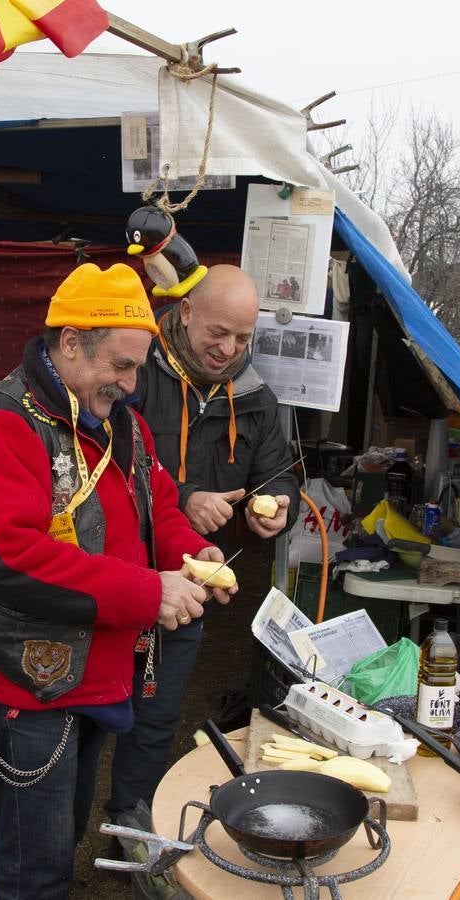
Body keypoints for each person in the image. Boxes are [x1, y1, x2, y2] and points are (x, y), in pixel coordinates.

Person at [0, 262, 235, 899]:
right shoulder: (0, 426)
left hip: (98, 670)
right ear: (69, 342)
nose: (132, 384)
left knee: (64, 829)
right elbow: (8, 559)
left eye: (138, 367)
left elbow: (158, 507)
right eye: (122, 366)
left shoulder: (118, 422)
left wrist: (196, 554)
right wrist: (149, 593)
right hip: (32, 681)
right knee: (33, 865)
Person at [106, 264, 298, 823]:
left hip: (190, 580)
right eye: (219, 332)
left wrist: (277, 509)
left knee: (158, 713)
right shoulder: (135, 373)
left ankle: (130, 824)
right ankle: (59, 838)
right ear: (185, 310)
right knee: (88, 712)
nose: (229, 349)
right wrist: (184, 498)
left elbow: (277, 473)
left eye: (243, 337)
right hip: (118, 568)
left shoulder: (257, 392)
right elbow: (107, 462)